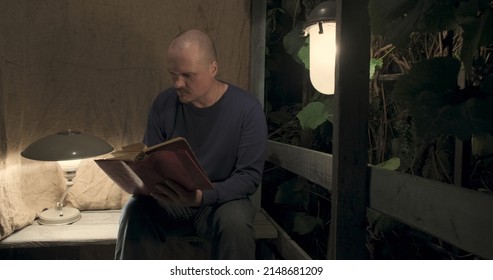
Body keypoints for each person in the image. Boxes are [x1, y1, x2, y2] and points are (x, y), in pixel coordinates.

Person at [114, 29, 268, 260]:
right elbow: (150, 162)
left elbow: (248, 178)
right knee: (134, 211)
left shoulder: (248, 109)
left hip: (221, 202)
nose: (178, 83)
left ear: (213, 69)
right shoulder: (163, 104)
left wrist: (200, 197)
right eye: (173, 74)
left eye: (187, 75)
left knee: (235, 223)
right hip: (172, 202)